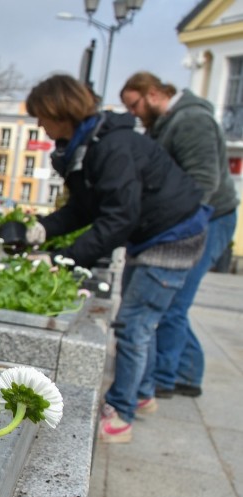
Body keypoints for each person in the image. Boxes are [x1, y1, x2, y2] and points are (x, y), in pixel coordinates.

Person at [16, 74, 209, 443]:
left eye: (41, 115)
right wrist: (36, 231)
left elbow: (118, 218)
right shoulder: (91, 143)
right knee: (143, 322)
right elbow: (83, 209)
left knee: (134, 326)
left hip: (172, 236)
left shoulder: (111, 147)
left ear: (60, 110)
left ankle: (121, 412)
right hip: (158, 233)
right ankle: (144, 392)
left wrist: (64, 259)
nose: (39, 124)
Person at [121, 72, 239, 404]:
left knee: (173, 301)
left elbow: (203, 181)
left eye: (135, 104)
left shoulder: (191, 120)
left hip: (208, 219)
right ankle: (182, 372)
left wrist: (175, 230)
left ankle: (170, 377)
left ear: (154, 93)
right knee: (171, 302)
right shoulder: (168, 122)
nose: (133, 113)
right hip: (195, 219)